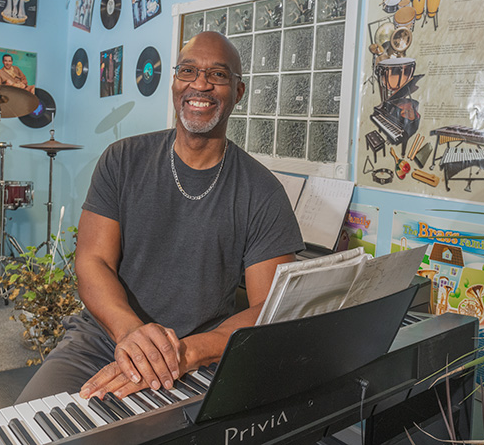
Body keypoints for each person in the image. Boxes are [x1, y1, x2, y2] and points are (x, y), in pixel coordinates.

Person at [16, 31, 304, 404]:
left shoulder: (262, 191)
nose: (200, 84)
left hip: (199, 355)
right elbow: (92, 260)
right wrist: (130, 332)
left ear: (238, 91)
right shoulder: (122, 159)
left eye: (217, 75)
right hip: (106, 337)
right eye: (188, 71)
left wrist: (185, 353)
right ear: (174, 82)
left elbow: (269, 308)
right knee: (32, 424)